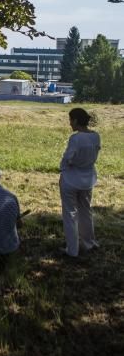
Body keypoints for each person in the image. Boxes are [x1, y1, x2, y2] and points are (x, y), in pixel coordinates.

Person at [59, 107, 101, 258]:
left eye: (70, 120)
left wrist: (62, 169)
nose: (70, 123)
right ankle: (89, 242)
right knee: (85, 210)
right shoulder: (96, 136)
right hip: (88, 178)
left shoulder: (76, 138)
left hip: (71, 179)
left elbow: (68, 158)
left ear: (76, 120)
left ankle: (72, 249)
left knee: (70, 214)